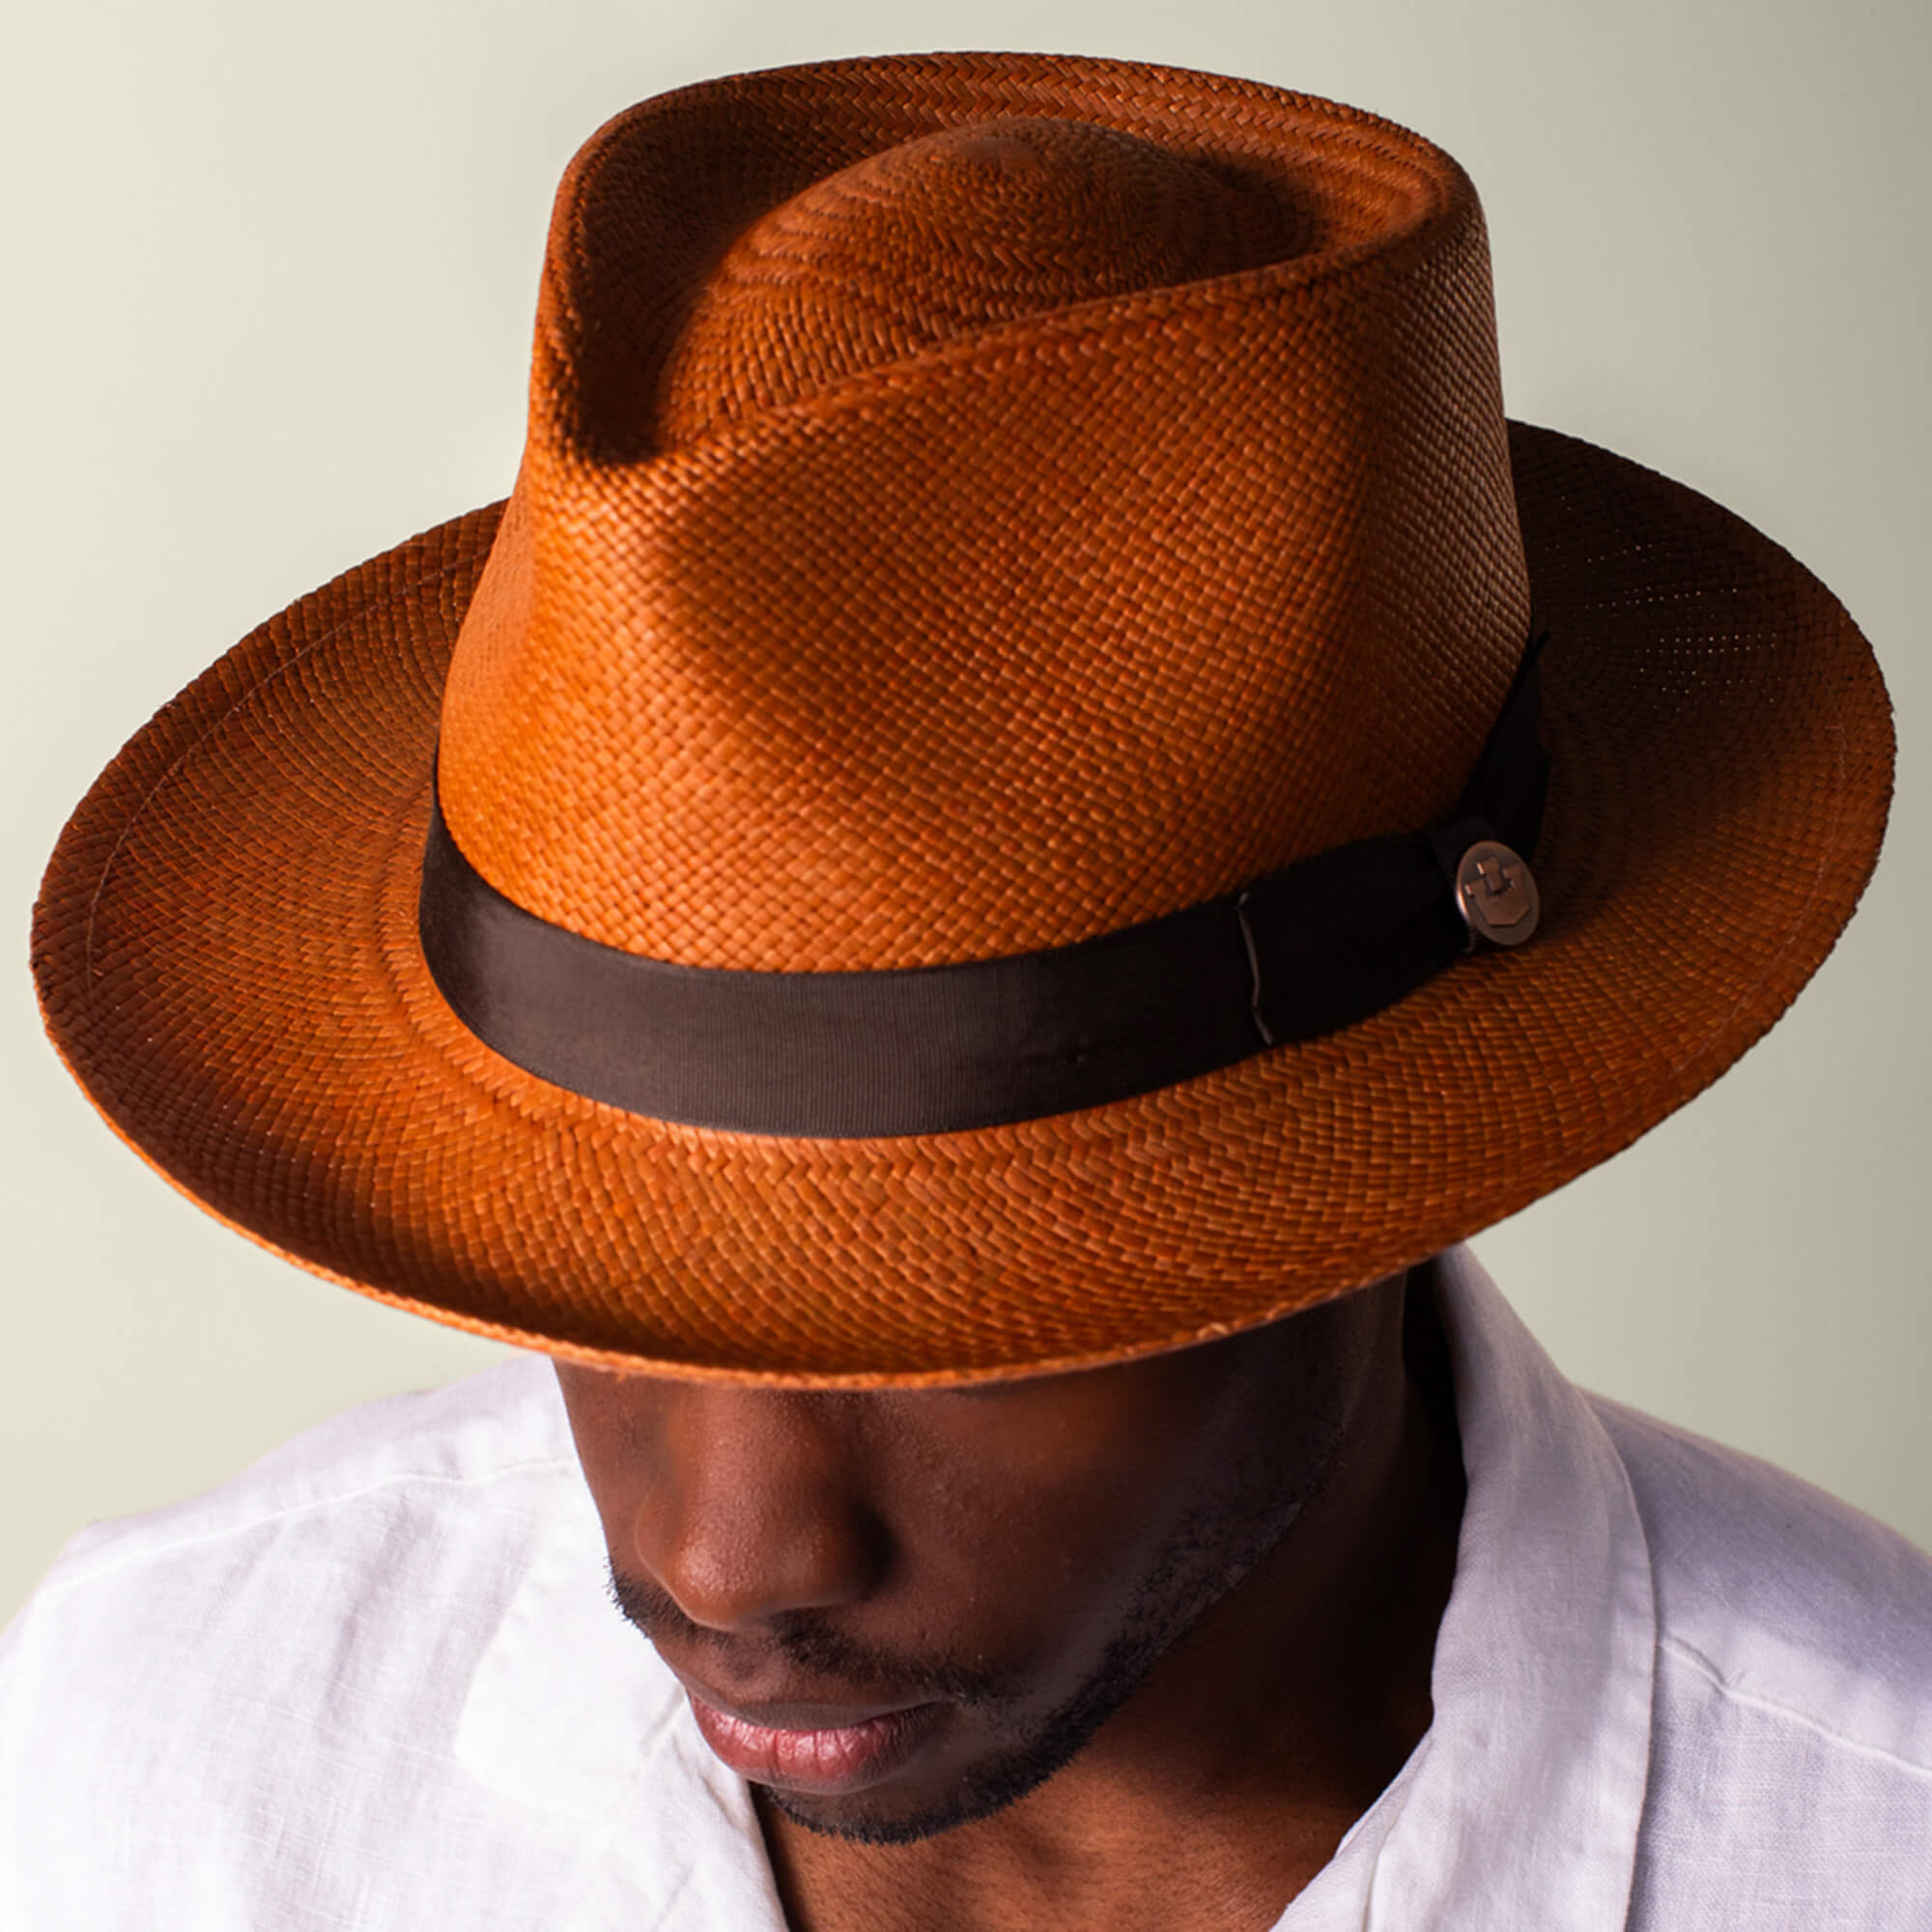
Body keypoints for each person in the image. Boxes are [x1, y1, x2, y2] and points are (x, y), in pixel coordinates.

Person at [7, 48, 1928, 1931]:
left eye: (951, 1308)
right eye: (601, 1266)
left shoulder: (1866, 1837)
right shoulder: (165, 1752)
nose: (726, 1554)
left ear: (1371, 1168)